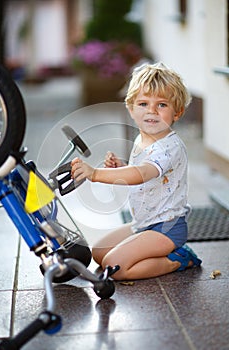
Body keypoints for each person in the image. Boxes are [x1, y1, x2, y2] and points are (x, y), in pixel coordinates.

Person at [71, 62, 202, 280]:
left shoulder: (170, 146)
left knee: (115, 267)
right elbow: (145, 172)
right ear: (131, 109)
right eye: (143, 103)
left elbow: (142, 173)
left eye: (161, 105)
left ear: (177, 112)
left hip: (166, 229)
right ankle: (146, 251)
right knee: (98, 253)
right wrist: (122, 167)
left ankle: (178, 259)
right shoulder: (143, 140)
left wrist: (96, 174)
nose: (151, 110)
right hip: (143, 223)